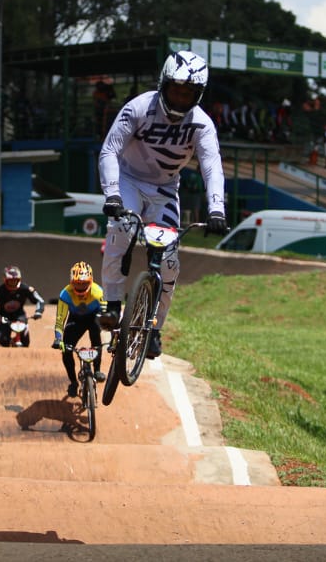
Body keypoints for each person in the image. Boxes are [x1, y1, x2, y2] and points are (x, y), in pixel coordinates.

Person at [99, 50, 226, 360]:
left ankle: (155, 329)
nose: (181, 99)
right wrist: (112, 194)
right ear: (163, 84)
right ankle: (113, 305)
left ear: (199, 95)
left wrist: (216, 209)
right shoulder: (138, 108)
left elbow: (212, 166)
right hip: (129, 180)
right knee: (121, 230)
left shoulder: (202, 125)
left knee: (168, 262)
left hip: (166, 190)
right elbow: (109, 151)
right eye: (176, 90)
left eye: (189, 93)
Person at [51, 261, 108, 397]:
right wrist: (58, 339)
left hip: (94, 317)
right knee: (66, 349)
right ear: (71, 282)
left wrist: (114, 337)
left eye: (84, 283)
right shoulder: (65, 294)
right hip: (75, 320)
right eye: (77, 283)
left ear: (91, 281)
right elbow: (60, 319)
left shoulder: (98, 292)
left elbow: (107, 317)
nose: (81, 287)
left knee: (96, 335)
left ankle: (97, 370)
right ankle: (73, 383)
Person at [0, 265, 45, 347]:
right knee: (3, 342)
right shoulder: (0, 291)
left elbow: (39, 300)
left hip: (19, 315)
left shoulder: (25, 289)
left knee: (25, 342)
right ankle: (9, 343)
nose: (13, 283)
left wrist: (38, 312)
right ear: (5, 280)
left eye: (15, 281)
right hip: (3, 316)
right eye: (10, 281)